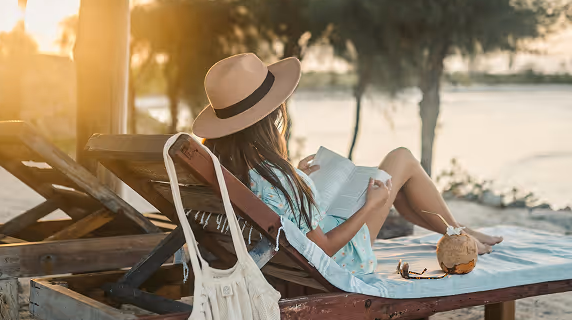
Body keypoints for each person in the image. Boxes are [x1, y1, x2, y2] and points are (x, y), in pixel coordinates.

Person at [192, 53, 502, 276]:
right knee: (402, 160)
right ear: (270, 118)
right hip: (335, 260)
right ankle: (458, 232)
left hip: (276, 261)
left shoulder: (224, 168)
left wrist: (297, 177)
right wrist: (371, 206)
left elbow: (274, 206)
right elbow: (323, 249)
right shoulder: (278, 179)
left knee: (396, 180)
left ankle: (457, 230)